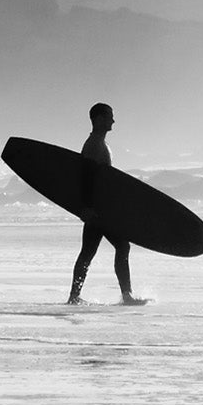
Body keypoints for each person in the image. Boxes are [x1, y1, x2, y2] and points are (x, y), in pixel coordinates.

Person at [68, 101, 146, 305]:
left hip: (100, 208)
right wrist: (86, 207)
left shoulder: (100, 143)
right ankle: (125, 295)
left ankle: (74, 296)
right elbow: (86, 176)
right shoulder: (94, 144)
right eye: (109, 116)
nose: (113, 120)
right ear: (99, 119)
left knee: (91, 252)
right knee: (119, 247)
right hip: (97, 210)